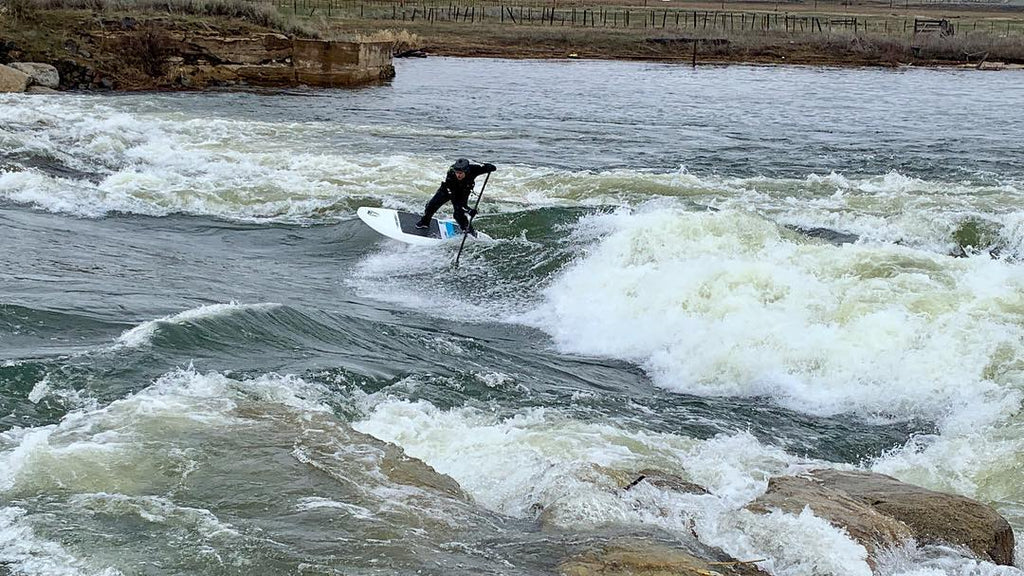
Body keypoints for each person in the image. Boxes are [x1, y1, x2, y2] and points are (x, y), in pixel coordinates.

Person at [416, 158, 496, 236]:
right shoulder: (451, 175)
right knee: (431, 206)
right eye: (457, 172)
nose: (458, 175)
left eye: (460, 173)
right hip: (448, 190)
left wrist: (489, 167)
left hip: (464, 190)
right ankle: (424, 223)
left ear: (466, 171)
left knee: (458, 214)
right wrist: (468, 210)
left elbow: (490, 168)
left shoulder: (474, 169)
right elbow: (456, 201)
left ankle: (468, 230)